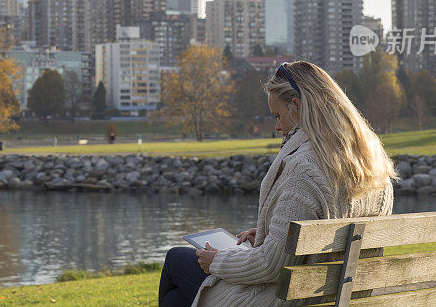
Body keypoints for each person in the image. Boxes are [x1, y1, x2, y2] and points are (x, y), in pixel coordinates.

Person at [157, 61, 397, 307]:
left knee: (175, 259)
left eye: (278, 115)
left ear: (296, 106)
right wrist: (272, 231)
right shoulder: (371, 161)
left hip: (289, 298)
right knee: (176, 299)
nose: (277, 126)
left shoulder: (306, 167)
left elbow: (270, 265)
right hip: (338, 294)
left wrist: (217, 261)